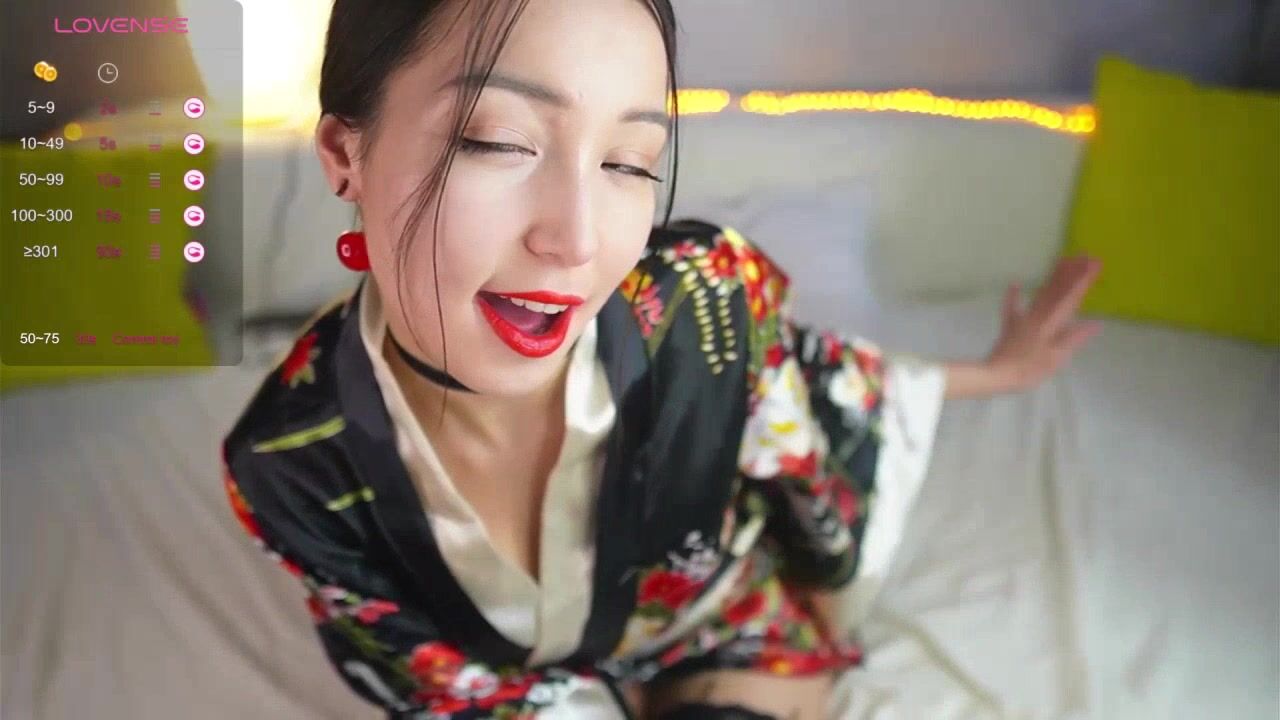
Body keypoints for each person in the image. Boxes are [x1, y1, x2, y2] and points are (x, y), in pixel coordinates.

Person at [220, 1, 1102, 718]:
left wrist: (994, 374)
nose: (577, 240)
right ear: (346, 153)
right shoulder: (290, 462)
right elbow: (439, 681)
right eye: (499, 140)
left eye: (629, 161)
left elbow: (813, 377)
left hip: (720, 625)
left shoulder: (699, 304)